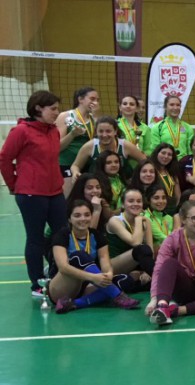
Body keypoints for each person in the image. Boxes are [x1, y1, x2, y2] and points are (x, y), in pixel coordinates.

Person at [1, 90, 68, 295]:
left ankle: (58, 275)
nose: (57, 113)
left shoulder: (53, 131)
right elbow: (4, 159)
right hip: (31, 194)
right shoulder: (21, 131)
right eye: (53, 109)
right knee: (35, 238)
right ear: (39, 108)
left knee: (61, 234)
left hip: (55, 192)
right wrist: (14, 185)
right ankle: (37, 284)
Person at [47, 200, 141, 313]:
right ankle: (118, 296)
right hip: (62, 287)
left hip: (86, 285)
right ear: (69, 219)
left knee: (125, 280)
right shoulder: (62, 235)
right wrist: (92, 277)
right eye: (77, 215)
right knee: (79, 256)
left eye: (87, 215)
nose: (83, 219)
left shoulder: (96, 235)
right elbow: (63, 267)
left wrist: (109, 274)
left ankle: (74, 304)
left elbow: (105, 262)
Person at [105, 188, 156, 292]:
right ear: (123, 205)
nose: (136, 204)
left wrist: (147, 272)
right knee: (141, 249)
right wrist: (138, 220)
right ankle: (159, 281)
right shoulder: (115, 221)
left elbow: (150, 251)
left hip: (135, 264)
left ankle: (146, 280)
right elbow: (135, 242)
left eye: (139, 201)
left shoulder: (146, 221)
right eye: (131, 201)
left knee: (147, 252)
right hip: (114, 265)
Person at [69, 116, 145, 180]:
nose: (104, 135)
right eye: (101, 131)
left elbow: (145, 161)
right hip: (98, 187)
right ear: (96, 132)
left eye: (108, 131)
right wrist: (75, 172)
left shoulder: (125, 145)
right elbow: (75, 165)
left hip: (123, 187)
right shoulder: (90, 146)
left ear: (115, 131)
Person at [57, 87, 100, 195]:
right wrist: (72, 134)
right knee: (70, 199)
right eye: (92, 99)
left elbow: (97, 141)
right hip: (67, 163)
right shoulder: (65, 116)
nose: (95, 102)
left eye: (97, 100)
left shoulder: (94, 119)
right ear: (80, 99)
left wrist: (95, 116)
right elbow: (57, 147)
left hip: (87, 164)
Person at [144, 185, 174, 251]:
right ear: (148, 200)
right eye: (156, 198)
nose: (161, 201)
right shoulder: (145, 216)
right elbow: (160, 237)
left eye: (163, 198)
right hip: (153, 254)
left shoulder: (169, 218)